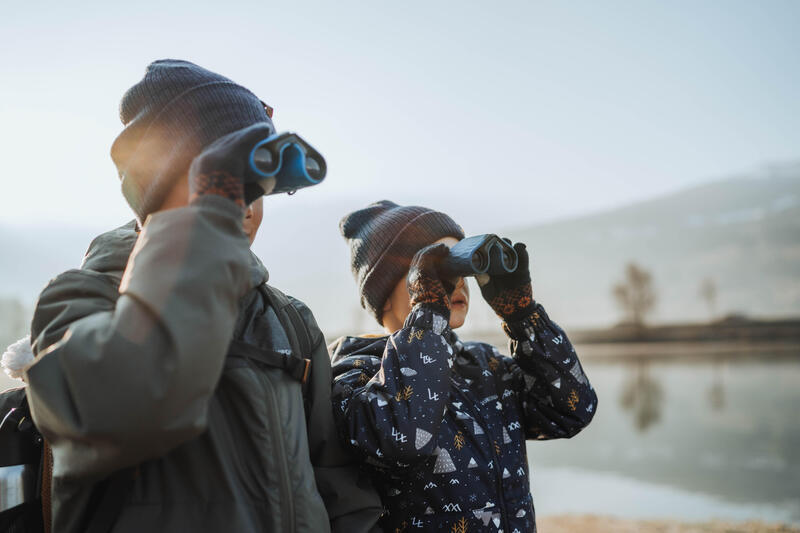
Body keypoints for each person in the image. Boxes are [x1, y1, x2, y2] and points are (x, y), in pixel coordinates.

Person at [23, 60, 381, 533]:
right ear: (161, 179)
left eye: (257, 187)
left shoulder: (290, 321)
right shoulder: (77, 301)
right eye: (227, 179)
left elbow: (337, 488)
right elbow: (128, 410)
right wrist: (200, 227)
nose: (248, 204)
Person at [330, 200, 598, 532]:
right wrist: (428, 315)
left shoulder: (485, 365)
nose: (456, 282)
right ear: (383, 294)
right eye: (436, 269)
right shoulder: (357, 371)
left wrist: (524, 317)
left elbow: (571, 410)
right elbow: (404, 440)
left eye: (460, 267)